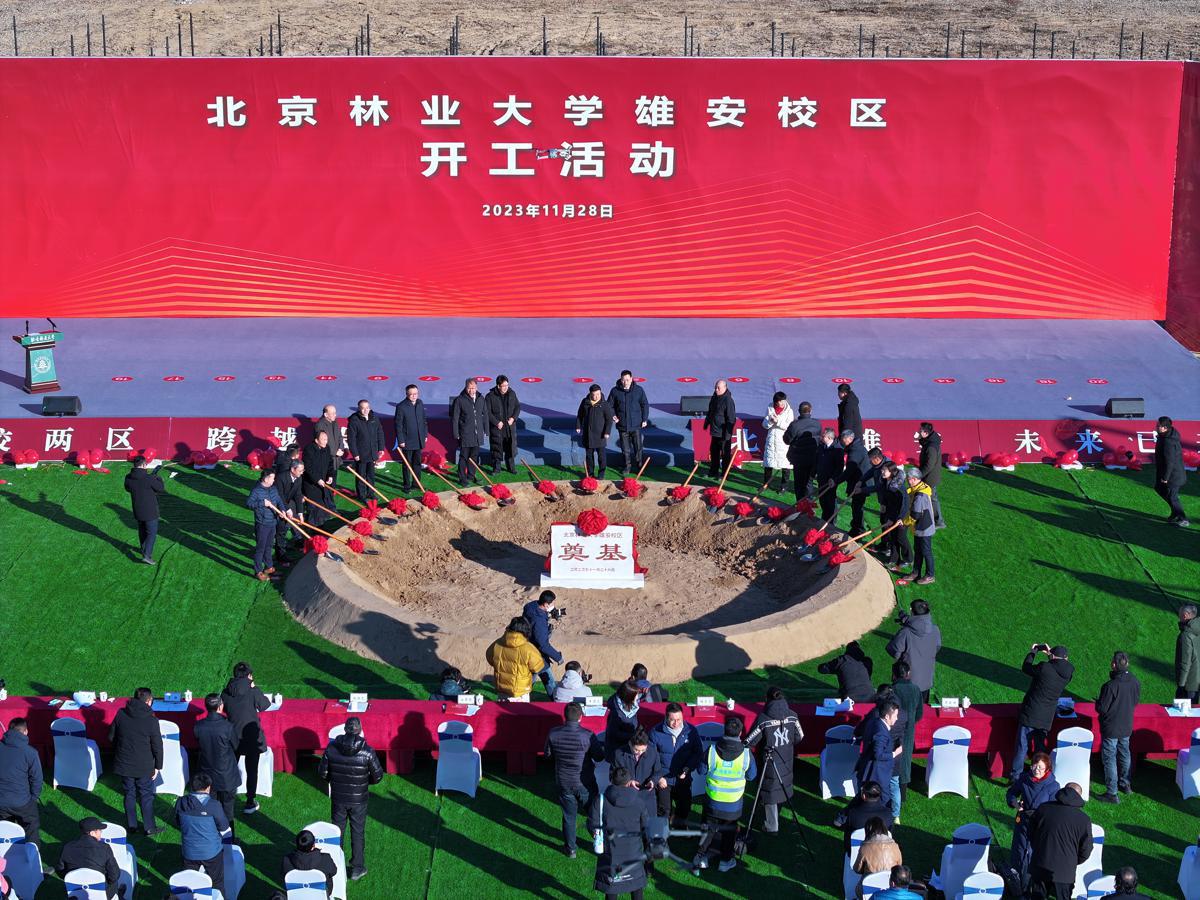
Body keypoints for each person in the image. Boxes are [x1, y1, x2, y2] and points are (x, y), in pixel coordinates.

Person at [317, 717, 383, 882]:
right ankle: (357, 868)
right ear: (359, 730)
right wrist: (364, 782)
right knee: (357, 832)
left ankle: (335, 864)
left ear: (345, 730)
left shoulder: (331, 749)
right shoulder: (367, 751)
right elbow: (378, 776)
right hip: (358, 799)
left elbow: (322, 773)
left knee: (337, 831)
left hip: (339, 797)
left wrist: (335, 781)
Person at [545, 702, 605, 858]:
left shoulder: (553, 733)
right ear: (580, 717)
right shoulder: (588, 735)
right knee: (594, 813)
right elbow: (599, 756)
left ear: (565, 716)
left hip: (564, 781)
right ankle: (598, 840)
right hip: (584, 782)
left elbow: (548, 755)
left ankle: (571, 849)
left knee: (569, 816)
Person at [700, 716, 757, 873]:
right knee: (729, 833)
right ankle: (725, 862)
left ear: (724, 731)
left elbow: (701, 770)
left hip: (712, 802)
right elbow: (752, 776)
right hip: (733, 804)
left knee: (708, 831)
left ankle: (702, 858)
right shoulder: (746, 754)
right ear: (740, 733)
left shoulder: (711, 750)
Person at [1010, 644, 1074, 781]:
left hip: (1031, 713)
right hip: (1046, 717)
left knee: (1022, 746)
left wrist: (1033, 652)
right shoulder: (1068, 673)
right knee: (1040, 748)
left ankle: (1016, 776)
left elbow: (1026, 667)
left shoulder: (1045, 667)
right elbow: (1059, 666)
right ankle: (1040, 774)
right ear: (1066, 658)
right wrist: (1052, 656)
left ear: (1052, 656)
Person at [744, 686, 802, 834]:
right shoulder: (793, 716)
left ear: (767, 699)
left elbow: (749, 741)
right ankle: (775, 816)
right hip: (786, 758)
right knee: (782, 785)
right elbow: (800, 736)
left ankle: (772, 826)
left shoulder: (763, 719)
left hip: (769, 761)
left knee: (770, 791)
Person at [109, 686, 163, 835]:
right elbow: (157, 746)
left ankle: (131, 825)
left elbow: (111, 737)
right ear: (149, 701)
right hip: (143, 766)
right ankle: (149, 827)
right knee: (146, 796)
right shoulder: (151, 721)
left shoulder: (121, 714)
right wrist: (158, 766)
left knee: (129, 793)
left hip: (124, 763)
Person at [221, 661, 271, 815]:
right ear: (249, 676)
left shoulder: (225, 692)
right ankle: (250, 802)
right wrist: (254, 688)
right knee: (252, 770)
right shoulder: (252, 691)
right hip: (250, 737)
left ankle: (225, 798)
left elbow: (224, 709)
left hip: (232, 736)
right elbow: (265, 705)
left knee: (230, 769)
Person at [1027, 782, 1093, 900]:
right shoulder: (1083, 820)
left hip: (1040, 864)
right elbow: (1086, 849)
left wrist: (1038, 850)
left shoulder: (1043, 808)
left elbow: (1031, 834)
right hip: (1065, 872)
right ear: (1078, 796)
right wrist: (1073, 861)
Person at [593, 765, 649, 898]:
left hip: (611, 854)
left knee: (612, 887)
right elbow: (646, 827)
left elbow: (593, 825)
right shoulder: (639, 802)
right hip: (633, 853)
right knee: (636, 886)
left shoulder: (601, 801)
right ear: (629, 782)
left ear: (611, 780)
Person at [1006, 752, 1059, 890]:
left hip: (1040, 825)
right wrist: (1015, 803)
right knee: (1019, 849)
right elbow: (1011, 793)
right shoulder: (1024, 778)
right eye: (1035, 766)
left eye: (1040, 767)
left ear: (1047, 769)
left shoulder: (1053, 786)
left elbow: (1053, 809)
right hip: (1023, 821)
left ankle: (1030, 883)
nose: (1037, 770)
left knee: (1033, 853)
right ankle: (1016, 880)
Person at [174, 772, 232, 897]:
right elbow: (225, 828)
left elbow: (178, 823)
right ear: (208, 788)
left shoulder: (180, 802)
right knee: (217, 883)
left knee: (189, 884)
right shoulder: (214, 806)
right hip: (212, 854)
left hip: (189, 853)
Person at [1095, 651, 1140, 803]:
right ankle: (1125, 784)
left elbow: (1102, 709)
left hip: (1111, 727)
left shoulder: (1110, 686)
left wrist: (1098, 703)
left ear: (1114, 665)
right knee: (1125, 754)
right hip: (1126, 725)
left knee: (1109, 758)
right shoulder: (1134, 681)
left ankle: (1112, 793)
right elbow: (1135, 702)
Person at [648, 703, 703, 828]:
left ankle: (680, 827)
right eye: (672, 720)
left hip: (683, 778)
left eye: (679, 719)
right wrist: (658, 777)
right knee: (663, 810)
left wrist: (687, 768)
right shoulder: (655, 732)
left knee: (684, 807)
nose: (676, 723)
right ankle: (662, 832)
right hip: (663, 780)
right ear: (666, 718)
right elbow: (650, 758)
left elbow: (697, 752)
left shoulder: (691, 731)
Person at [194, 693, 240, 828]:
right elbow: (236, 746)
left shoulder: (199, 726)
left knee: (211, 808)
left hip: (208, 773)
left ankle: (214, 834)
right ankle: (229, 837)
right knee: (228, 809)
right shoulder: (228, 726)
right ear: (220, 707)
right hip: (226, 774)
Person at [885, 599, 942, 703]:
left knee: (904, 709)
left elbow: (892, 650)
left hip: (907, 682)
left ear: (911, 610)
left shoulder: (906, 632)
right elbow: (937, 647)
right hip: (926, 681)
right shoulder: (935, 630)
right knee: (921, 708)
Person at [0, 718, 42, 847]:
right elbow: (37, 779)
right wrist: (33, 798)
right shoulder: (30, 752)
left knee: (5, 832)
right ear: (26, 731)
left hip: (1, 801)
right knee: (31, 828)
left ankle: (5, 854)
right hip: (23, 802)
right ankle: (32, 855)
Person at [56, 816, 122, 899]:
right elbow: (114, 875)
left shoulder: (67, 847)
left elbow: (60, 871)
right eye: (99, 830)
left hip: (76, 892)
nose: (101, 833)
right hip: (102, 893)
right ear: (92, 833)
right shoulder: (104, 848)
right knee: (114, 882)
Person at [889, 661, 922, 819]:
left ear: (894, 675)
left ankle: (892, 796)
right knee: (906, 760)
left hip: (894, 730)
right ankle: (903, 795)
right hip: (909, 731)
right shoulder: (916, 689)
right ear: (908, 673)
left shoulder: (893, 690)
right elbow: (919, 713)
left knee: (894, 760)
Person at [485, 617, 544, 701]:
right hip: (520, 691)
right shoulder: (528, 648)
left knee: (502, 708)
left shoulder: (497, 643)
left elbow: (489, 658)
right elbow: (537, 667)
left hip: (502, 689)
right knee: (519, 710)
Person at [612, 728, 664, 819]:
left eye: (643, 750)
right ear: (630, 744)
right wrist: (628, 782)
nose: (640, 753)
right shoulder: (619, 754)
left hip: (647, 796)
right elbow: (613, 775)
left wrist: (653, 781)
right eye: (636, 750)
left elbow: (658, 771)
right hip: (627, 796)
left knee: (650, 823)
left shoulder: (653, 752)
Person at [895, 472, 936, 587]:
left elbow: (915, 515)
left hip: (924, 526)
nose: (908, 481)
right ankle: (915, 573)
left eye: (909, 479)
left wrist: (904, 522)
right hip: (920, 526)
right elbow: (910, 491)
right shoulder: (920, 487)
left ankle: (930, 575)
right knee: (918, 551)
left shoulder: (920, 495)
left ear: (914, 479)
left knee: (926, 552)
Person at [123, 454, 164, 566]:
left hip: (137, 510)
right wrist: (158, 478)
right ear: (144, 465)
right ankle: (147, 555)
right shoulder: (149, 478)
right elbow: (160, 488)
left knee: (142, 531)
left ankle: (143, 549)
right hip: (150, 511)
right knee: (151, 533)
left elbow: (128, 488)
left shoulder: (128, 477)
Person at [521, 590, 563, 699]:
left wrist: (548, 614)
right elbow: (543, 644)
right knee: (549, 681)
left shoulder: (530, 606)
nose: (553, 605)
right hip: (537, 654)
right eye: (552, 603)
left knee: (530, 679)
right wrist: (558, 657)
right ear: (545, 604)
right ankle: (556, 701)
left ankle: (522, 696)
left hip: (528, 648)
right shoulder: (539, 621)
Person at [246, 469, 286, 581]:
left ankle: (269, 568)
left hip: (273, 522)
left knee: (268, 546)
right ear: (266, 479)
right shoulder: (256, 490)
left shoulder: (273, 488)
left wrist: (282, 510)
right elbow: (248, 503)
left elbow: (278, 499)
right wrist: (262, 503)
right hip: (262, 524)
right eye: (272, 478)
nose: (274, 480)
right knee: (261, 548)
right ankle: (258, 571)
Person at [834, 781, 893, 856]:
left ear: (864, 796)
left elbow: (847, 838)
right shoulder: (888, 813)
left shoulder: (853, 813)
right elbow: (889, 834)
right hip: (881, 853)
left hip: (857, 854)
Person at [855, 699, 901, 791]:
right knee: (882, 797)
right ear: (887, 716)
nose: (897, 718)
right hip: (877, 775)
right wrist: (895, 753)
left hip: (867, 769)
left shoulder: (874, 721)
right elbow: (878, 755)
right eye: (895, 715)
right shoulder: (881, 733)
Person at [451, 377, 489, 485]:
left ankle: (471, 476)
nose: (471, 390)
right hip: (465, 434)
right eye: (469, 388)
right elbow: (455, 418)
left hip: (478, 435)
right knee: (464, 457)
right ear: (465, 387)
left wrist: (486, 430)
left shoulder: (481, 398)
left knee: (474, 457)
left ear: (477, 387)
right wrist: (456, 433)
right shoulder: (459, 400)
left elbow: (485, 415)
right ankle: (462, 478)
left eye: (473, 388)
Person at [611, 370, 649, 475]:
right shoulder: (615, 391)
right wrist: (613, 415)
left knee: (638, 448)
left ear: (631, 379)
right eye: (623, 380)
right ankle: (627, 467)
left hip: (636, 425)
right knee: (625, 449)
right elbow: (610, 406)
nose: (625, 382)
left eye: (627, 380)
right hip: (622, 425)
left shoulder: (639, 390)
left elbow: (645, 405)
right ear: (621, 379)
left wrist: (644, 419)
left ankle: (639, 467)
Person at [345, 399, 385, 501]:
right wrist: (355, 453)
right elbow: (351, 439)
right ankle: (361, 495)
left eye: (367, 408)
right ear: (359, 409)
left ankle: (370, 493)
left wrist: (381, 448)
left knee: (371, 474)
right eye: (363, 408)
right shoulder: (354, 420)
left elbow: (380, 433)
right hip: (361, 454)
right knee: (361, 475)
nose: (365, 410)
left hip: (372, 452)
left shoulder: (374, 418)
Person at [877, 460, 912, 572]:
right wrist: (884, 506)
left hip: (902, 515)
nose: (882, 472)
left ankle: (908, 559)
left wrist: (900, 518)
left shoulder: (899, 486)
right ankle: (894, 558)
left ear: (891, 472)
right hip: (892, 513)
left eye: (884, 470)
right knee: (892, 536)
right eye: (882, 470)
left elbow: (905, 504)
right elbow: (886, 496)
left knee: (900, 537)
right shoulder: (886, 481)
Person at [281, 829, 338, 897]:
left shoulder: (286, 860)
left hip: (297, 894)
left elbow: (284, 876)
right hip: (321, 895)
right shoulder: (326, 858)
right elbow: (334, 871)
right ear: (313, 846)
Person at [782, 400, 820, 501]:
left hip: (799, 459)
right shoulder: (817, 424)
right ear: (810, 411)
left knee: (799, 484)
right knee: (809, 482)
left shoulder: (795, 425)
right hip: (813, 458)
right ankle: (809, 504)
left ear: (799, 411)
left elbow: (786, 440)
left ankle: (801, 505)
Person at [1154, 415, 1189, 526]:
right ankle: (1175, 512)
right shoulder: (1165, 435)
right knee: (1159, 488)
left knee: (1172, 497)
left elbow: (1170, 462)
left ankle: (1182, 518)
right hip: (1168, 473)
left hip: (1173, 476)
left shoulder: (1168, 442)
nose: (1156, 427)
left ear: (1165, 428)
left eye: (1158, 426)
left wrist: (1165, 478)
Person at [394, 384, 429, 491]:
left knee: (417, 463)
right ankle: (406, 485)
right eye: (411, 394)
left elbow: (424, 420)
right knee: (407, 464)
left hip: (419, 439)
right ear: (406, 394)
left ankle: (416, 484)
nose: (414, 396)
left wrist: (425, 434)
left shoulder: (420, 403)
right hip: (407, 441)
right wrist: (401, 440)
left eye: (416, 394)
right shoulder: (401, 406)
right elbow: (398, 425)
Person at [853, 815, 903, 887]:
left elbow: (857, 870)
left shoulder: (864, 847)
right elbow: (899, 866)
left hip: (869, 886)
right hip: (890, 885)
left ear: (868, 831)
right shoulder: (895, 846)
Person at [575, 384, 613, 478]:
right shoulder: (585, 402)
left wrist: (607, 432)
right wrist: (578, 426)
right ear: (590, 394)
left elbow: (609, 420)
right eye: (594, 395)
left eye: (598, 394)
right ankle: (590, 474)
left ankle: (601, 474)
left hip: (600, 435)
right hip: (588, 434)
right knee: (589, 456)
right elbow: (580, 415)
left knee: (601, 456)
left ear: (600, 393)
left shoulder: (604, 404)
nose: (596, 397)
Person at [300, 430, 337, 528]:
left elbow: (330, 463)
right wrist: (317, 479)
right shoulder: (309, 450)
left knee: (322, 507)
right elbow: (308, 468)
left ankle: (321, 526)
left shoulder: (327, 448)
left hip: (323, 483)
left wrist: (330, 475)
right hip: (311, 484)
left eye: (326, 439)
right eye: (323, 439)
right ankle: (312, 529)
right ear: (316, 440)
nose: (325, 441)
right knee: (314, 508)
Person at [486, 375, 521, 474]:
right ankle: (496, 469)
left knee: (510, 448)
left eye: (507, 385)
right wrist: (496, 422)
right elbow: (487, 412)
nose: (506, 388)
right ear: (498, 386)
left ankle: (511, 467)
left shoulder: (512, 393)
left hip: (509, 428)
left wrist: (513, 418)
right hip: (497, 429)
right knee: (496, 448)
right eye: (503, 386)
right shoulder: (490, 396)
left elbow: (517, 407)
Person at [761, 392, 794, 493]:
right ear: (776, 402)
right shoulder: (770, 408)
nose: (782, 403)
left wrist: (777, 422)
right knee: (768, 463)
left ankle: (784, 486)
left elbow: (789, 426)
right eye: (780, 401)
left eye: (784, 400)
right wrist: (770, 421)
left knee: (785, 464)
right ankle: (766, 484)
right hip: (772, 439)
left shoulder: (789, 411)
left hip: (783, 440)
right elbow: (764, 424)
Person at [273, 458, 306, 564]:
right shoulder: (281, 477)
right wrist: (286, 509)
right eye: (300, 470)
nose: (302, 473)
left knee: (292, 524)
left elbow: (298, 495)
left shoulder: (298, 478)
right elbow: (279, 495)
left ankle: (293, 543)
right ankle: (281, 556)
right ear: (292, 469)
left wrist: (300, 513)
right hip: (276, 504)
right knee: (281, 530)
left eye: (302, 470)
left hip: (288, 502)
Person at [851, 447, 889, 537]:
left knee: (887, 522)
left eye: (871, 460)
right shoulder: (877, 465)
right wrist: (861, 480)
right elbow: (871, 471)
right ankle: (884, 542)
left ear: (877, 458)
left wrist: (862, 490)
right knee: (883, 520)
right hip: (882, 499)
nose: (870, 462)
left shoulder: (886, 468)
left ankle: (888, 543)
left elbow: (878, 487)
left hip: (888, 499)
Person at [702, 379, 736, 479]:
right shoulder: (714, 398)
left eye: (718, 388)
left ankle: (724, 474)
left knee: (725, 455)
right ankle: (713, 471)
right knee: (714, 452)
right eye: (715, 387)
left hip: (724, 433)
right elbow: (710, 411)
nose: (716, 389)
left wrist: (728, 434)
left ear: (725, 388)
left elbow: (731, 418)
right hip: (715, 431)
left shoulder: (728, 400)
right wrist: (706, 423)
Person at [604, 680, 642, 760]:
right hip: (618, 754)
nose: (637, 697)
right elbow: (613, 733)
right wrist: (632, 736)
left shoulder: (631, 706)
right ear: (628, 696)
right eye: (636, 695)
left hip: (628, 749)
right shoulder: (616, 713)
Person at [916, 422, 945, 528]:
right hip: (930, 475)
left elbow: (929, 465)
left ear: (926, 433)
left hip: (930, 477)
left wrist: (919, 475)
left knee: (931, 499)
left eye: (920, 431)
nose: (919, 432)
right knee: (928, 497)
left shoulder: (931, 446)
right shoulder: (930, 441)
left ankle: (938, 521)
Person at [814, 427, 845, 521]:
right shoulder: (821, 447)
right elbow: (817, 461)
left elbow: (839, 468)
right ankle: (824, 518)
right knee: (822, 500)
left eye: (823, 436)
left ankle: (831, 521)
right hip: (821, 478)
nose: (821, 437)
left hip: (831, 480)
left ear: (829, 438)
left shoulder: (837, 449)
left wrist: (834, 479)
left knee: (830, 501)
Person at [838, 430, 869, 516]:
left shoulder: (856, 451)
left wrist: (836, 481)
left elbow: (849, 471)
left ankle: (858, 525)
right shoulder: (854, 448)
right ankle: (856, 524)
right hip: (857, 481)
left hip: (859, 483)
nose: (842, 441)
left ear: (849, 439)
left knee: (857, 508)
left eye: (843, 439)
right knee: (856, 508)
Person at [1177, 603, 1200, 704]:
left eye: (1180, 613)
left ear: (1185, 615)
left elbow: (1185, 662)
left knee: (1182, 712)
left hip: (1188, 684)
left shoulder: (1186, 635)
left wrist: (1181, 686)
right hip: (1197, 681)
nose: (1179, 615)